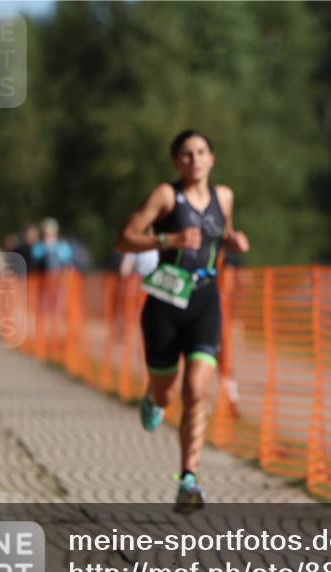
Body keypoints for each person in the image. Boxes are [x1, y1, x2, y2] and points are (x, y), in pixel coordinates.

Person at [114, 129, 249, 513]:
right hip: (164, 302)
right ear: (176, 162)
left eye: (201, 152)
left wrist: (233, 242)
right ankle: (154, 398)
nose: (194, 160)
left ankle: (188, 479)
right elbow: (123, 240)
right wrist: (167, 241)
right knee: (167, 393)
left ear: (212, 158)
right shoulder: (164, 196)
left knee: (196, 390)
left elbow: (220, 233)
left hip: (205, 301)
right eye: (186, 155)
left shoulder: (224, 196)